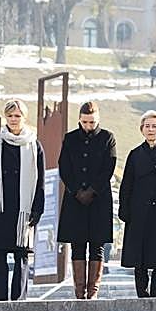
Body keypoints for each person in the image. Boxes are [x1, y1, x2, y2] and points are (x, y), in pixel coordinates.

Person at [0, 99, 45, 302]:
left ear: (24, 118)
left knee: (22, 255)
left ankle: (19, 300)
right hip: (1, 207)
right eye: (10, 116)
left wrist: (37, 209)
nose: (13, 119)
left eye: (17, 116)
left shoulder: (34, 145)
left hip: (24, 209)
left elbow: (40, 181)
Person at [57, 101, 117, 299]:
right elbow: (64, 166)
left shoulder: (107, 138)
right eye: (85, 122)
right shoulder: (70, 138)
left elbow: (108, 167)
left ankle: (93, 292)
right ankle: (79, 291)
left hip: (99, 199)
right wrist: (76, 191)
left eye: (92, 122)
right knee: (77, 244)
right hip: (75, 199)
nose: (88, 126)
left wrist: (92, 190)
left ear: (98, 120)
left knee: (97, 245)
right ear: (79, 120)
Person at [119, 110, 156, 298]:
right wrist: (124, 208)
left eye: (154, 126)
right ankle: (142, 296)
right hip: (138, 212)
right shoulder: (135, 155)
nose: (151, 129)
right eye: (147, 126)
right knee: (139, 258)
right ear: (142, 129)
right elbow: (126, 185)